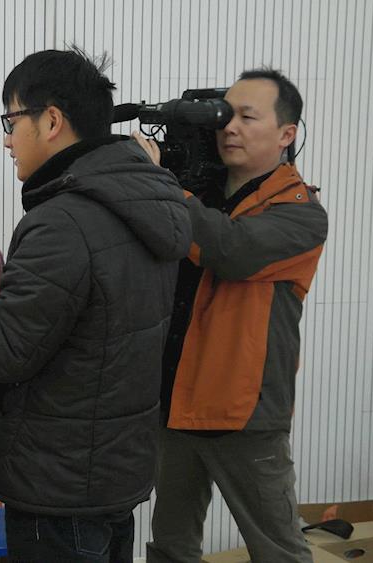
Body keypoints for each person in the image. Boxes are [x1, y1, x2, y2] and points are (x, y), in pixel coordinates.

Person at [0, 47, 192, 562]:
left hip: (58, 488)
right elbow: (98, 329)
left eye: (11, 120)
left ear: (51, 121)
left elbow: (1, 352)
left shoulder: (63, 220)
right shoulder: (146, 206)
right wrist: (19, 308)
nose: (6, 139)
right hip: (113, 473)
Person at [133, 69, 328, 563]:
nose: (230, 128)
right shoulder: (197, 194)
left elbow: (231, 250)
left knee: (278, 551)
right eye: (225, 116)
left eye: (247, 117)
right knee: (170, 547)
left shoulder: (301, 213)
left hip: (245, 413)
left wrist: (160, 184)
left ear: (286, 134)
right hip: (176, 401)